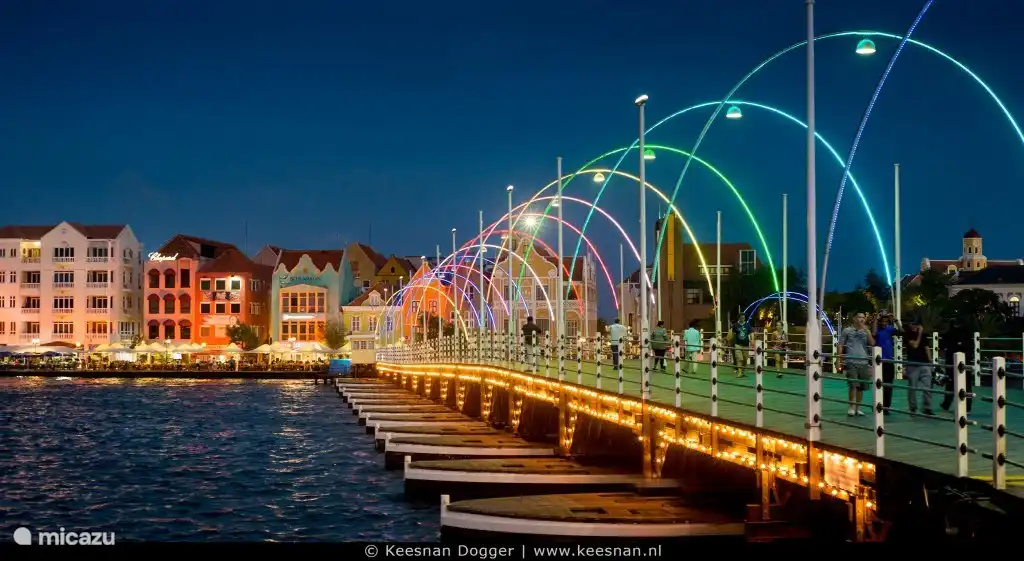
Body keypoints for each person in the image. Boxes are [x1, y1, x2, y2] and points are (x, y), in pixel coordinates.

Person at [838, 311, 875, 417]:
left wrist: (867, 332)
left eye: (863, 317)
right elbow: (840, 345)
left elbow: (872, 343)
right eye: (859, 317)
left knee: (861, 387)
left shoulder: (866, 331)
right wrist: (838, 360)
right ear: (854, 318)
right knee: (853, 385)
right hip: (851, 361)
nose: (862, 319)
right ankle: (851, 407)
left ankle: (858, 408)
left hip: (864, 361)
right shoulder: (847, 331)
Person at [940, 322, 974, 414]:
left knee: (951, 384)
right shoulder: (967, 334)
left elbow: (942, 345)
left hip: (954, 361)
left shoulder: (951, 333)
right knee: (966, 386)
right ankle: (967, 407)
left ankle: (947, 404)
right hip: (962, 362)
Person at [902, 318, 934, 416]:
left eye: (916, 324)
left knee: (927, 387)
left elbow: (926, 347)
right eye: (913, 323)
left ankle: (927, 408)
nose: (915, 325)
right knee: (912, 387)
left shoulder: (924, 335)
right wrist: (919, 333)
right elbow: (915, 345)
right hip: (912, 364)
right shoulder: (907, 335)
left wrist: (931, 362)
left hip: (924, 363)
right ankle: (913, 408)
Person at [873, 311, 901, 415]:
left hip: (889, 361)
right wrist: (876, 318)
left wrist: (896, 320)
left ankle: (886, 407)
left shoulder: (890, 329)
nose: (884, 323)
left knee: (888, 386)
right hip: (879, 361)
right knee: (878, 384)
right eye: (882, 321)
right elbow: (874, 333)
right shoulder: (877, 329)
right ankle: (877, 405)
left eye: (886, 321)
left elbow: (901, 332)